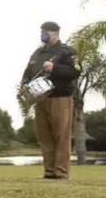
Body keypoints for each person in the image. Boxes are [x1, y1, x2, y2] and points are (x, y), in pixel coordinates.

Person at [20, 21, 81, 180]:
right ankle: (49, 171)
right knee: (44, 136)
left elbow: (75, 72)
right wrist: (24, 83)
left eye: (46, 32)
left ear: (56, 34)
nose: (43, 34)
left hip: (60, 98)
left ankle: (61, 171)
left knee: (61, 136)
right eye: (42, 31)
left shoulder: (66, 51)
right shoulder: (37, 53)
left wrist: (55, 68)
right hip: (40, 99)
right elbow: (27, 71)